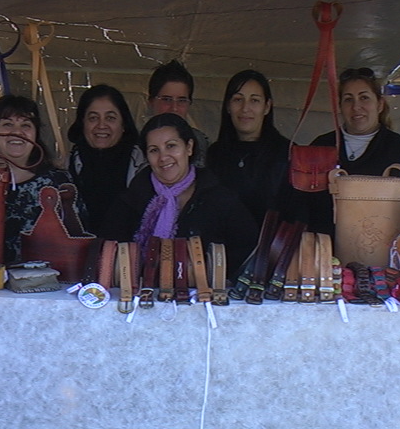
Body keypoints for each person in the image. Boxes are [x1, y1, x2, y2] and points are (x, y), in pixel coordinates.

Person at [99, 113, 258, 282]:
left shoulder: (221, 200)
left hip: (204, 302)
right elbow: (108, 256)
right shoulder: (130, 200)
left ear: (189, 147)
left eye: (171, 146)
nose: (163, 157)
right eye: (154, 150)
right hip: (139, 301)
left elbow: (248, 256)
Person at [308, 67, 400, 234]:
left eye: (364, 98)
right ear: (340, 106)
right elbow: (303, 202)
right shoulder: (321, 146)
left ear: (380, 104)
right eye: (348, 99)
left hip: (382, 250)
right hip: (325, 248)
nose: (356, 106)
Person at [0, 95, 73, 264]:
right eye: (7, 124)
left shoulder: (59, 183)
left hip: (43, 285)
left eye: (25, 125)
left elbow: (75, 237)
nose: (17, 132)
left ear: (36, 133)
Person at [206, 70, 292, 228]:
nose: (245, 108)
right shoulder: (215, 154)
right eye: (238, 99)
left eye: (255, 100)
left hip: (272, 249)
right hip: (221, 250)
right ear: (227, 106)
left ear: (267, 107)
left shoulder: (287, 154)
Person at [67, 84, 146, 234]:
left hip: (129, 253)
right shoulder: (69, 166)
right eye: (93, 118)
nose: (101, 125)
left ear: (123, 124)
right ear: (82, 123)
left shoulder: (141, 166)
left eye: (110, 118)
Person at [147, 59, 209, 167]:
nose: (174, 108)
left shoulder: (200, 143)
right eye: (166, 99)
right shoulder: (137, 142)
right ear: (151, 102)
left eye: (181, 100)